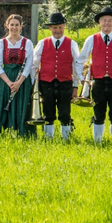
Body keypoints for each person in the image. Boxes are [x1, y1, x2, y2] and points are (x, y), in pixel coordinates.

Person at [80, 6, 112, 143]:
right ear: (99, 23)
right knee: (98, 111)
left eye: (109, 20)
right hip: (98, 81)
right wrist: (81, 78)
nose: (107, 23)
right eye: (104, 20)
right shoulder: (91, 39)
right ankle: (98, 141)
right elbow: (81, 59)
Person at [33, 11, 80, 140]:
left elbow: (76, 66)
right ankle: (49, 138)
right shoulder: (43, 43)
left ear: (64, 26)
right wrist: (33, 83)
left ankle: (66, 138)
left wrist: (75, 86)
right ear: (50, 28)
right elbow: (34, 64)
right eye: (55, 27)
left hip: (65, 82)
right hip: (46, 82)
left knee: (65, 111)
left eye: (60, 27)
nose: (57, 30)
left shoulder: (72, 44)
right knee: (48, 110)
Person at [0, 14, 35, 136]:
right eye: (12, 25)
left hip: (21, 79)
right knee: (3, 105)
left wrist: (18, 83)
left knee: (21, 104)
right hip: (6, 78)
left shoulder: (27, 43)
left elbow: (28, 66)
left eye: (17, 25)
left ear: (21, 26)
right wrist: (9, 83)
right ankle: (4, 132)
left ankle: (22, 131)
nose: (14, 27)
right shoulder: (0, 43)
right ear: (7, 25)